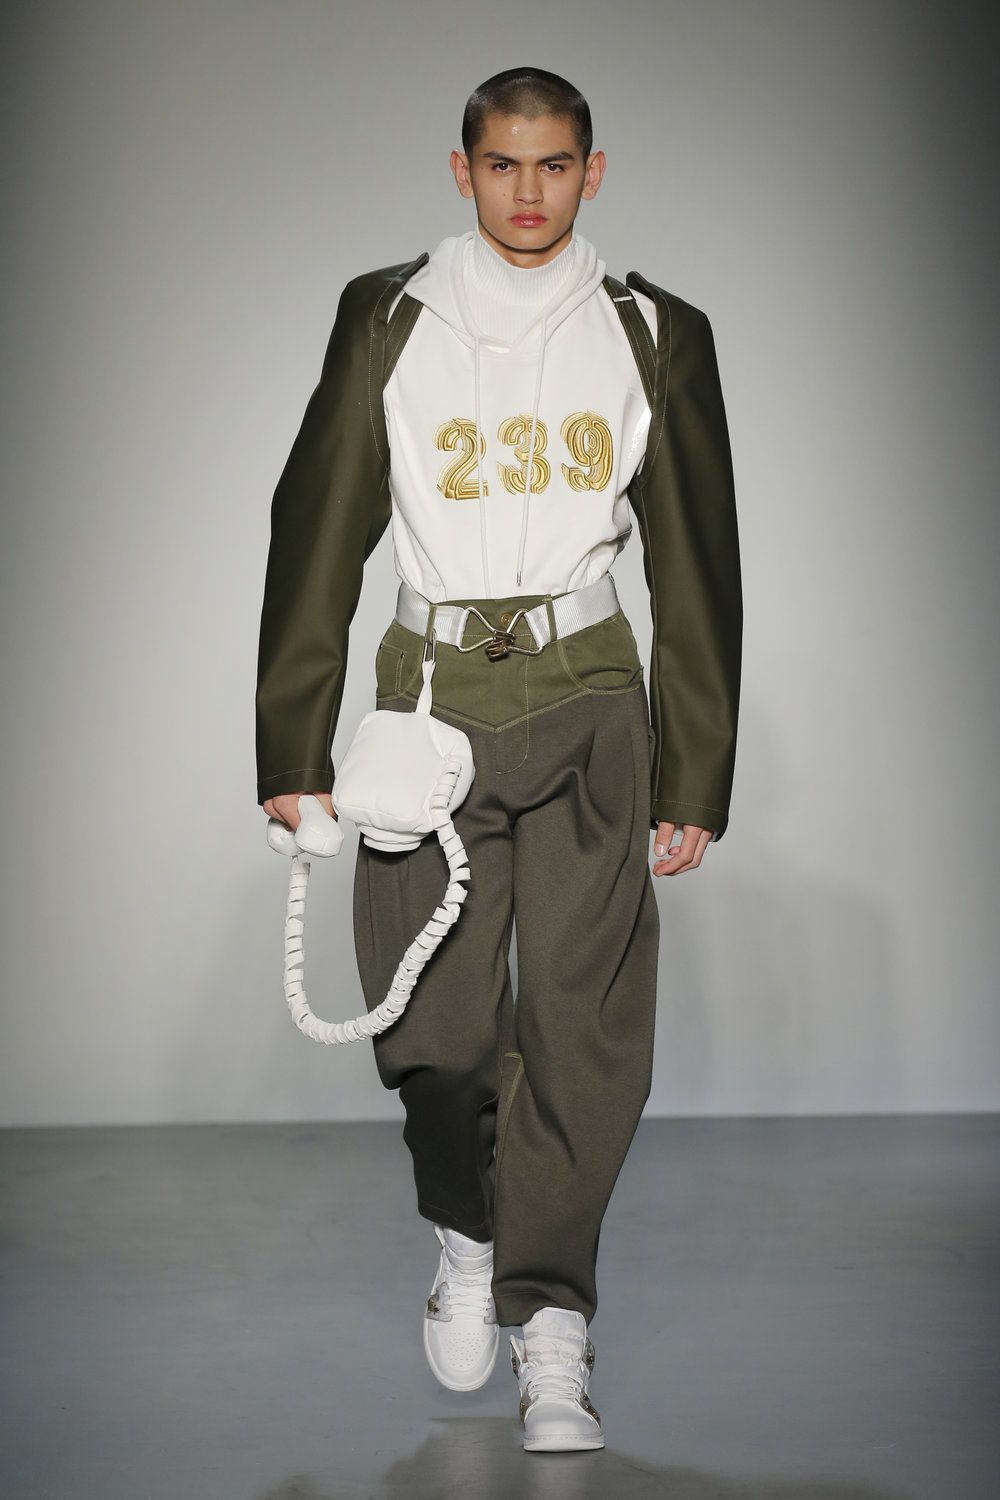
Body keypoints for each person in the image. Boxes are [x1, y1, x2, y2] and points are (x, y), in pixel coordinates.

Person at [255, 66, 742, 1454]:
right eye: (504, 164)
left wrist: (695, 768)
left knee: (585, 1028)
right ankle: (467, 1228)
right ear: (462, 170)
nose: (530, 191)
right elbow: (319, 529)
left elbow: (698, 559)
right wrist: (293, 745)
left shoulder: (654, 330)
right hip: (430, 697)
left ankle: (554, 1323)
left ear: (595, 171)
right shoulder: (388, 315)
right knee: (438, 1028)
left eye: (556, 164)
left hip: (591, 693)